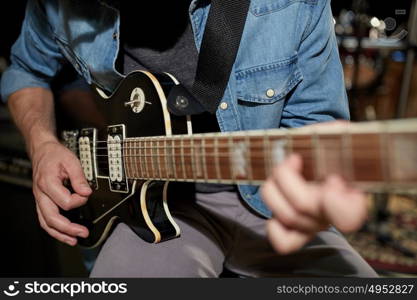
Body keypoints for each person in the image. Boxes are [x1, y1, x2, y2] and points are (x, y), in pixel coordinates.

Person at [1, 0, 377, 277]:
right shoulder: (58, 6)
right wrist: (43, 145)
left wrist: (317, 188)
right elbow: (25, 71)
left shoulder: (291, 5)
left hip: (266, 201)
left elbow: (315, 128)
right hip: (149, 210)